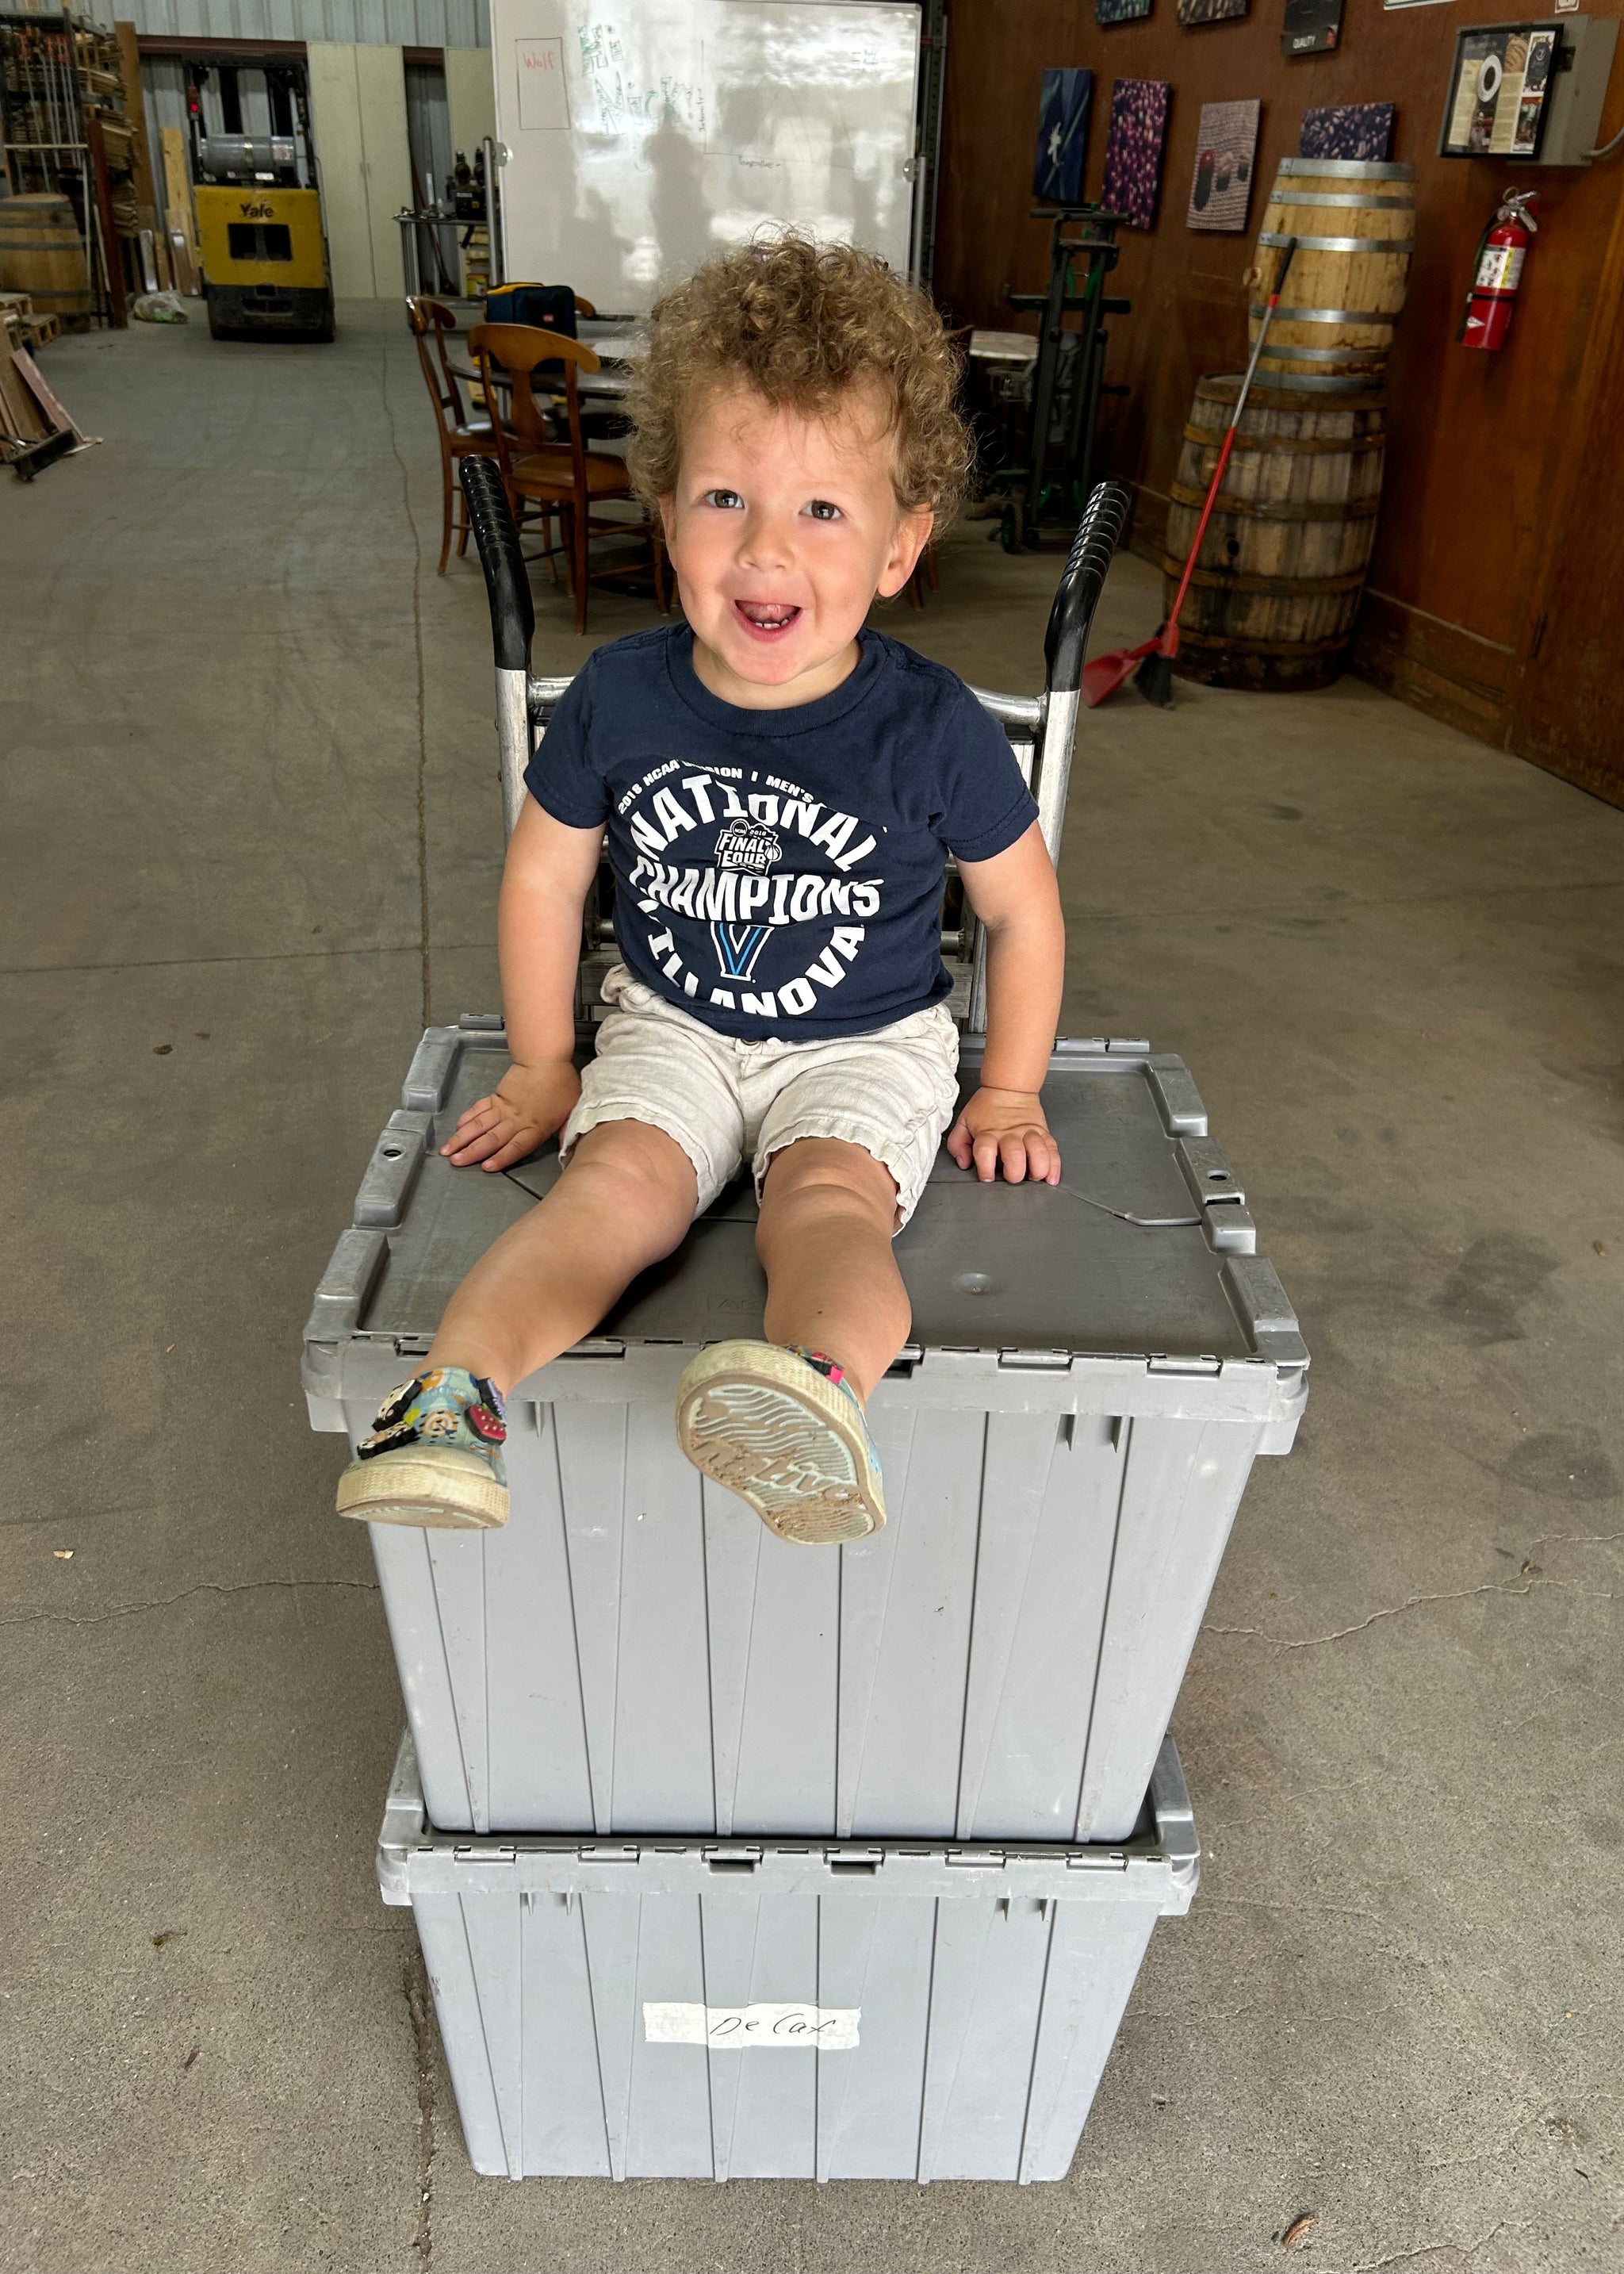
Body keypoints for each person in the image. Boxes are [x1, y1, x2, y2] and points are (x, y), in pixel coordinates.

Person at [335, 233, 1064, 1548]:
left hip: (863, 1041)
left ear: (902, 547)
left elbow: (1019, 912)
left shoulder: (931, 726)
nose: (765, 550)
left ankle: (818, 1401)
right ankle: (452, 1403)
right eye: (726, 498)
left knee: (828, 1207)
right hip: (671, 1023)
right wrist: (545, 1063)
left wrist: (1006, 1087)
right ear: (666, 512)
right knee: (607, 1190)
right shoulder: (620, 697)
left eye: (824, 510)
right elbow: (546, 881)